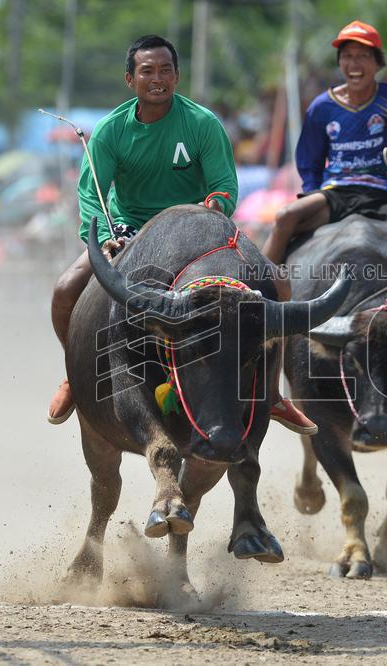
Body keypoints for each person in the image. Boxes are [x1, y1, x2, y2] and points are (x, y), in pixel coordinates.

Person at [46, 35, 316, 435]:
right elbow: (92, 195)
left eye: (166, 70)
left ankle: (271, 392)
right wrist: (103, 238)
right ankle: (76, 373)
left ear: (177, 75)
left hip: (195, 230)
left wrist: (215, 206)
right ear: (129, 79)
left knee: (278, 284)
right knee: (66, 289)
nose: (158, 79)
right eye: (147, 71)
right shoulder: (109, 131)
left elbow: (225, 184)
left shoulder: (202, 123)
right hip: (131, 231)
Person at [263, 20, 387, 297]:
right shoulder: (322, 107)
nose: (354, 64)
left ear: (378, 63)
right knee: (284, 218)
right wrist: (312, 194)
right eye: (347, 56)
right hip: (336, 195)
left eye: (363, 56)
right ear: (340, 62)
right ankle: (259, 302)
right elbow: (308, 162)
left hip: (385, 196)